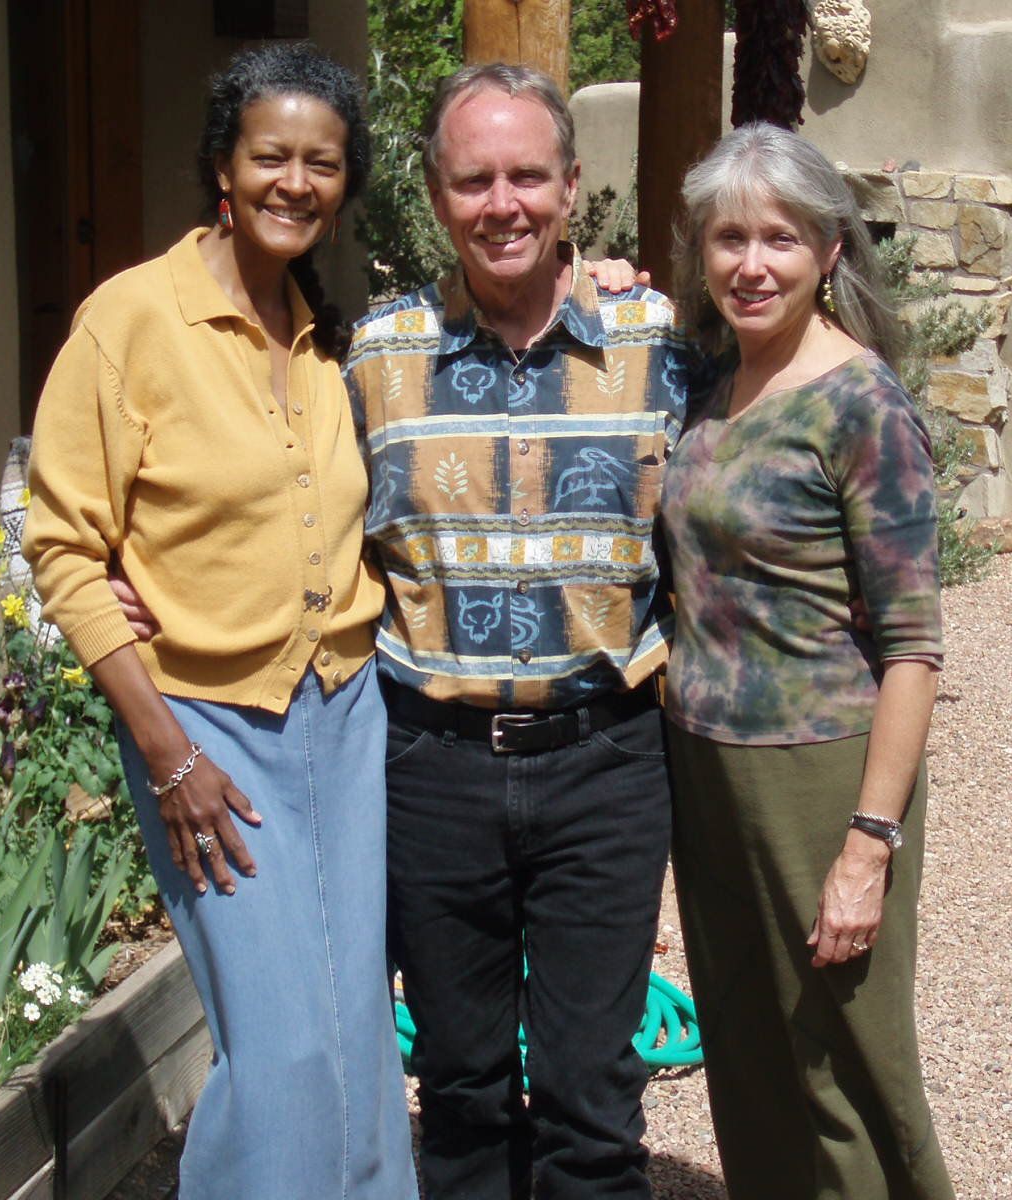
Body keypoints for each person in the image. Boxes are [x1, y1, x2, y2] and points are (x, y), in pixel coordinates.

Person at [22, 44, 417, 1199]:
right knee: (284, 1044)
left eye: (323, 164)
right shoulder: (131, 321)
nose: (296, 182)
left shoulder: (324, 334)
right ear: (222, 168)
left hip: (346, 723)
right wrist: (167, 751)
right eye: (271, 157)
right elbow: (61, 544)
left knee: (352, 1024)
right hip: (209, 739)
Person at [341, 63, 698, 1200]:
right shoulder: (373, 358)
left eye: (528, 176)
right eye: (475, 178)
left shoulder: (661, 345)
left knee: (595, 1095)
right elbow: (285, 515)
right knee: (459, 1089)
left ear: (571, 186)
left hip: (605, 763)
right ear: (439, 194)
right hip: (428, 767)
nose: (504, 203)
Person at [659, 122, 957, 1199]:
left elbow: (913, 647)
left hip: (820, 770)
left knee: (844, 1065)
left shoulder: (860, 404)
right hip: (705, 765)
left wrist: (866, 846)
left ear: (829, 251)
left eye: (779, 239)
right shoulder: (711, 382)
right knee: (747, 1053)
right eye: (728, 238)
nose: (750, 263)